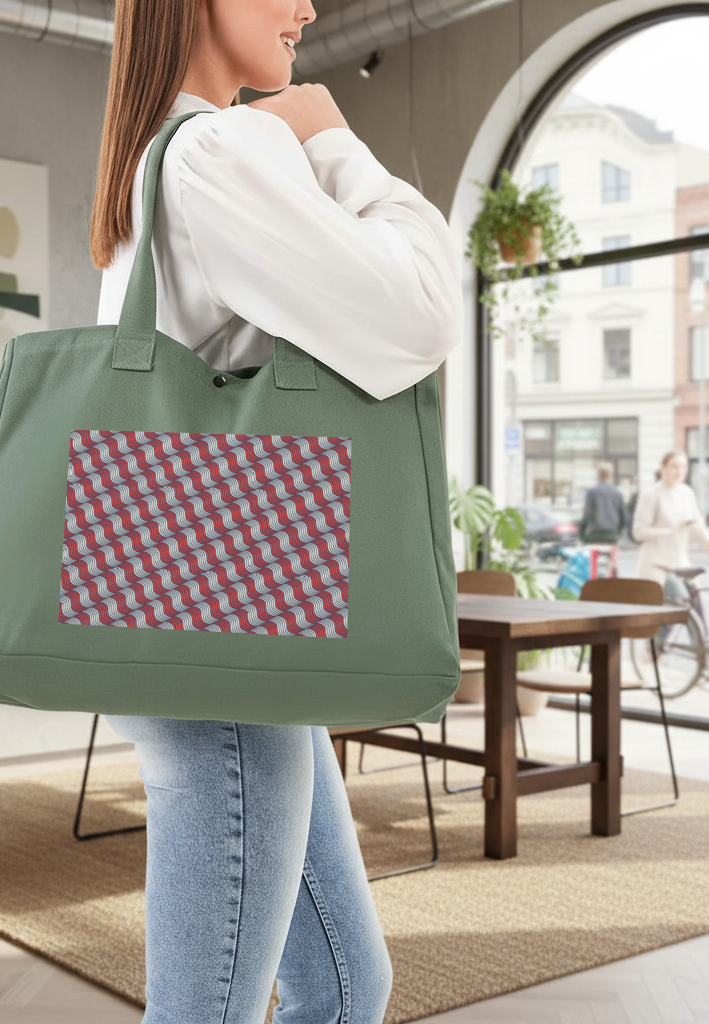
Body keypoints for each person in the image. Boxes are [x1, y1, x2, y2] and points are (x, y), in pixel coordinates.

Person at [90, 1, 461, 1021]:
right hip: (222, 644)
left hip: (212, 629)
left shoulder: (167, 157)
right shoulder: (220, 148)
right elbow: (422, 311)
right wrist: (336, 143)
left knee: (346, 985)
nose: (307, 4)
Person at [633, 450, 709, 594]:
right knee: (674, 609)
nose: (680, 471)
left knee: (695, 609)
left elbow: (696, 527)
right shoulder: (651, 495)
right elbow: (638, 532)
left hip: (681, 564)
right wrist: (669, 530)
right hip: (656, 567)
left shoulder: (687, 493)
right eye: (674, 466)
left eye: (683, 467)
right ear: (663, 468)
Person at [579, 462, 627, 544]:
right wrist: (618, 532)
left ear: (598, 475)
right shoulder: (617, 493)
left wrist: (582, 534)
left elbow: (587, 515)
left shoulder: (592, 492)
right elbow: (623, 516)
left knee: (594, 555)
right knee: (610, 556)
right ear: (611, 475)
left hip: (595, 534)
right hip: (612, 534)